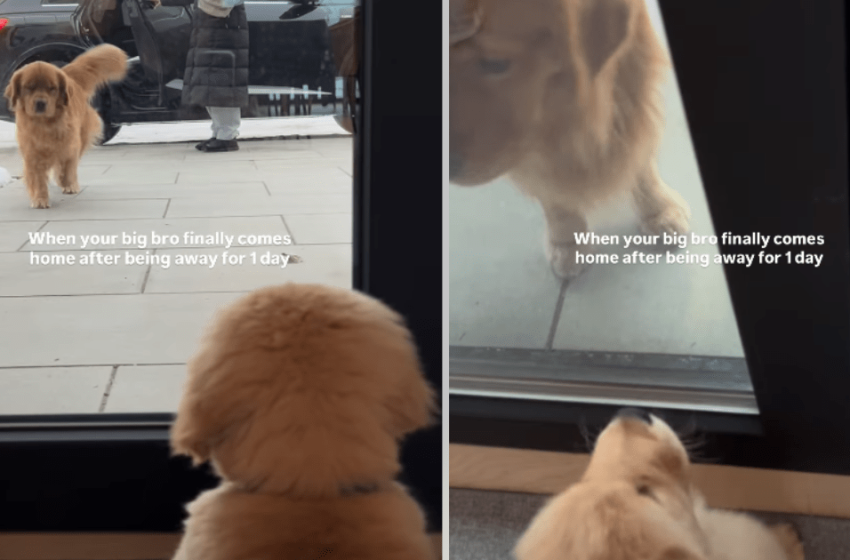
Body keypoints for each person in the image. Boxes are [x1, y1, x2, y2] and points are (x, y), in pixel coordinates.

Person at [155, 0, 249, 152]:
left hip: (223, 29)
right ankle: (219, 132)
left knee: (222, 86)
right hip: (212, 28)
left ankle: (227, 136)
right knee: (210, 85)